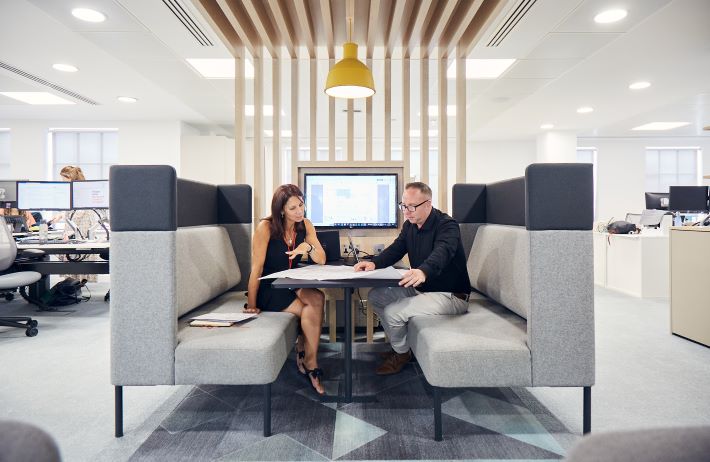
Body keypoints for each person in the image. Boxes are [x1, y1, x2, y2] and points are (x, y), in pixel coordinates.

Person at [354, 182, 470, 375]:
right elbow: (397, 248)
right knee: (376, 296)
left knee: (393, 312)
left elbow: (443, 251)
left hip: (450, 295)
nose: (406, 212)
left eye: (411, 207)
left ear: (428, 204)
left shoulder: (447, 225)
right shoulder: (410, 225)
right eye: (403, 206)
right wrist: (374, 263)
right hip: (423, 288)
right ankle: (401, 346)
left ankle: (401, 353)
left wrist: (423, 270)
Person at [245, 184, 328, 394]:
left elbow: (321, 259)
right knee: (310, 310)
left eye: (301, 205)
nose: (299, 211)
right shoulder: (266, 227)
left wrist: (307, 247)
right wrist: (252, 305)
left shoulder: (305, 225)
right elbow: (257, 269)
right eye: (293, 208)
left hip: (290, 282)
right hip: (269, 286)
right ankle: (311, 364)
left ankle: (306, 357)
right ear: (281, 210)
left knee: (317, 298)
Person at [50, 166, 105, 283]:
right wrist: (60, 215)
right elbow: (71, 209)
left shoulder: (81, 190)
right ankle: (73, 281)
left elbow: (79, 212)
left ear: (70, 177)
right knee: (74, 252)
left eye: (64, 179)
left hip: (81, 224)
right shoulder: (74, 190)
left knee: (79, 251)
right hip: (74, 222)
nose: (62, 181)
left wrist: (69, 232)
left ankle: (77, 281)